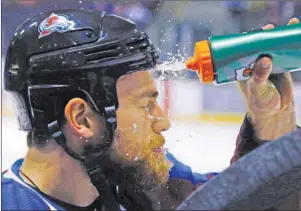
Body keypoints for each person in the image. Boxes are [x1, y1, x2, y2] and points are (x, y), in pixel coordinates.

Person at [1, 8, 299, 210]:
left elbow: (234, 202)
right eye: (146, 105)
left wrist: (270, 130)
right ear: (82, 119)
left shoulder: (142, 184)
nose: (163, 121)